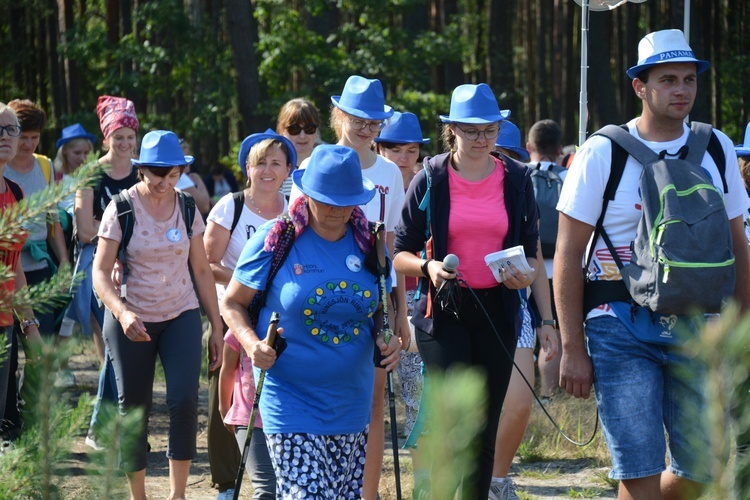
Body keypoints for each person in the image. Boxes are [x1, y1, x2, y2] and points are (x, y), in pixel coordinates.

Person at [555, 29, 750, 500]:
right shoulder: (604, 151)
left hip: (701, 327)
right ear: (641, 87)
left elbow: (738, 243)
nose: (681, 89)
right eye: (667, 79)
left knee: (702, 470)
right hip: (618, 324)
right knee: (638, 470)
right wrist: (571, 347)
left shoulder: (717, 147)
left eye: (689, 79)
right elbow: (566, 253)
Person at [222, 144, 400, 498]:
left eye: (346, 200)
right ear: (308, 194)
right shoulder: (276, 240)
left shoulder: (370, 244)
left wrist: (388, 336)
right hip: (290, 400)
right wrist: (252, 344)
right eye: (326, 199)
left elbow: (383, 307)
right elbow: (232, 303)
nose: (337, 209)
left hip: (352, 402)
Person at [393, 83, 539, 499]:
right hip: (443, 311)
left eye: (490, 129)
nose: (482, 139)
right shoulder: (430, 178)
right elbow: (399, 253)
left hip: (499, 309)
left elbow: (530, 252)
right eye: (471, 130)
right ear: (451, 129)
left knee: (484, 423)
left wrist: (523, 277)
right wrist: (428, 267)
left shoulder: (516, 178)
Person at [289, 75, 408, 498]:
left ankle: (367, 492)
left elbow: (390, 246)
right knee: (323, 394)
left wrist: (400, 313)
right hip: (318, 298)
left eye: (374, 122)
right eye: (357, 118)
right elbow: (293, 238)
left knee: (373, 401)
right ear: (338, 114)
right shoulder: (311, 166)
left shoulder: (390, 173)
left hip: (371, 298)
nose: (365, 128)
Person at [92, 130, 223, 500]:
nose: (165, 181)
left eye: (173, 173)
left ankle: (177, 494)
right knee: (134, 407)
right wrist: (121, 312)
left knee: (183, 400)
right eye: (156, 173)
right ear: (140, 170)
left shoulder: (186, 207)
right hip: (131, 318)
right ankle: (138, 495)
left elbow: (201, 270)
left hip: (180, 312)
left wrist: (214, 325)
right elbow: (100, 272)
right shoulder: (121, 207)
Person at [206, 130, 295, 500]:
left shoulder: (295, 209)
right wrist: (252, 282)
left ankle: (267, 474)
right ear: (248, 168)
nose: (268, 170)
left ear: (289, 169)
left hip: (277, 317)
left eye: (276, 162)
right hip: (233, 311)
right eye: (261, 163)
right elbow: (208, 264)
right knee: (226, 395)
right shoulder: (231, 205)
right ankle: (228, 482)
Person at [490, 120, 558, 500]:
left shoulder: (521, 190)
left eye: (509, 155)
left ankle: (497, 480)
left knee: (518, 403)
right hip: (465, 312)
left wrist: (547, 319)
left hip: (516, 310)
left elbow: (535, 258)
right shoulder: (452, 185)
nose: (500, 160)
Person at [3, 99, 68, 441]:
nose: (26, 144)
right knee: (8, 355)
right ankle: (9, 424)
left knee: (38, 350)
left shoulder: (43, 167)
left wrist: (64, 260)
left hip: (38, 268)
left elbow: (53, 217)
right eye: (21, 135)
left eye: (32, 137)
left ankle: (31, 422)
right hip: (9, 270)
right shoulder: (3, 167)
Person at [373, 110, 430, 488]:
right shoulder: (373, 186)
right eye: (394, 149)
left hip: (424, 304)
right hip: (379, 303)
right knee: (372, 401)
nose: (403, 158)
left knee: (418, 399)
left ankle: (424, 485)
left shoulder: (431, 186)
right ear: (379, 148)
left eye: (411, 150)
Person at [80, 95, 141, 450]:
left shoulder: (142, 169)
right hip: (102, 267)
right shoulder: (92, 173)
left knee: (126, 349)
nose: (124, 143)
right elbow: (85, 230)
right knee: (118, 346)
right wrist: (121, 238)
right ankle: (102, 428)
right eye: (117, 136)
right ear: (106, 138)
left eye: (130, 137)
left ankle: (117, 427)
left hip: (141, 268)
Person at [0, 102, 42, 444]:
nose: (7, 136)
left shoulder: (15, 193)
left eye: (11, 129)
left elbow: (15, 268)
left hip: (4, 325)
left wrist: (29, 326)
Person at [525, 119, 566, 399]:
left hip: (524, 267)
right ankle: (551, 395)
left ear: (529, 147)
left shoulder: (519, 176)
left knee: (524, 336)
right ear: (560, 149)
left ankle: (521, 392)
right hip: (561, 269)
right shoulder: (569, 177)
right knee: (553, 333)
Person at [276, 97, 321, 198]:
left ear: (317, 131)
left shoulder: (327, 164)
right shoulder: (273, 165)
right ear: (282, 130)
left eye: (309, 129)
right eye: (294, 129)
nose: (302, 136)